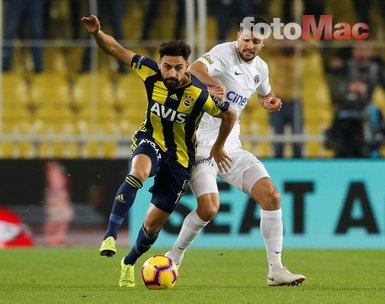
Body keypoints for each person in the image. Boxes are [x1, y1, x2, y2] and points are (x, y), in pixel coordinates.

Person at [81, 15, 236, 287]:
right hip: (150, 140)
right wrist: (96, 33)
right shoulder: (149, 71)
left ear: (187, 67)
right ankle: (110, 236)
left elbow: (230, 114)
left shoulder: (199, 94)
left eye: (178, 68)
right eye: (167, 67)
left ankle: (128, 262)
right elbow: (115, 49)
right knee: (138, 172)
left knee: (152, 226)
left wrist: (218, 146)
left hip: (180, 159)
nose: (172, 74)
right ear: (160, 63)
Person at [165, 16, 306, 286]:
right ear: (238, 34)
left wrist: (269, 100)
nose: (249, 45)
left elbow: (264, 92)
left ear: (264, 42)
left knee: (271, 196)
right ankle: (175, 255)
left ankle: (275, 269)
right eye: (246, 38)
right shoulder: (223, 52)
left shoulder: (261, 69)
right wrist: (212, 83)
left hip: (230, 146)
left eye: (256, 41)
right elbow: (194, 68)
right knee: (208, 209)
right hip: (201, 147)